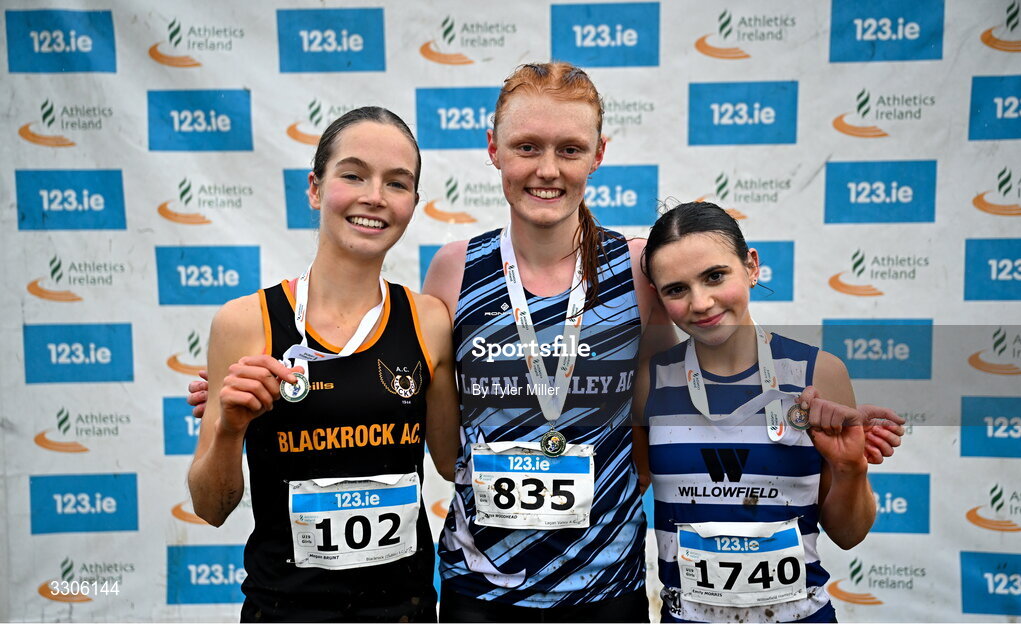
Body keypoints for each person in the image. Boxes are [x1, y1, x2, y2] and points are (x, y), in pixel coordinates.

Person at [187, 63, 904, 622]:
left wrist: (822, 435)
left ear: (598, 154)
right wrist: (244, 409)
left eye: (569, 148)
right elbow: (416, 403)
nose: (547, 169)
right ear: (492, 148)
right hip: (478, 588)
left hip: (608, 588)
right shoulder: (453, 267)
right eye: (526, 146)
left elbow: (694, 377)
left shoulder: (637, 267)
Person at [187, 107, 458, 623]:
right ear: (315, 188)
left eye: (396, 183)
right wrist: (229, 428)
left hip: (404, 611)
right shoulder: (245, 322)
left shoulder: (428, 321)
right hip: (284, 609)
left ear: (412, 204)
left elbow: (450, 462)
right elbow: (210, 508)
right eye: (353, 175)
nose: (374, 196)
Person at [637, 201, 875, 623]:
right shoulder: (651, 381)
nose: (702, 302)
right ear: (659, 295)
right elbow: (628, 492)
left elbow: (849, 534)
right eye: (677, 289)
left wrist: (851, 469)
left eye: (715, 276)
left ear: (751, 266)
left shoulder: (818, 372)